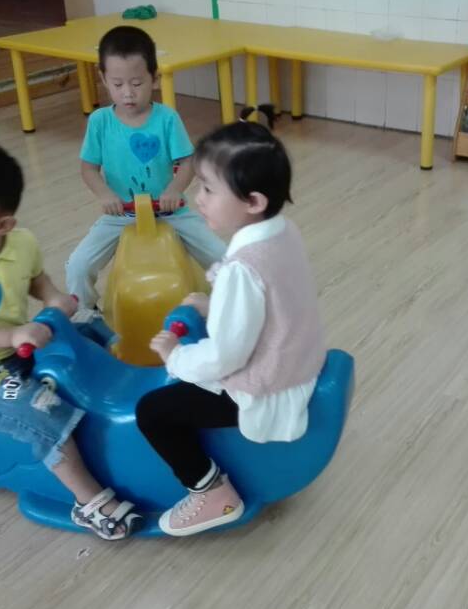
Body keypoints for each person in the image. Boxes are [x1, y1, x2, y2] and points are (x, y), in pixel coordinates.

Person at [0, 140, 142, 539]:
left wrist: (54, 298)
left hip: (21, 348)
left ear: (2, 226)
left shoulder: (22, 243)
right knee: (42, 412)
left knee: (91, 331)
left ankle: (130, 406)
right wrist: (13, 333)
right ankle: (88, 501)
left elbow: (35, 279)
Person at [135, 122, 326, 537]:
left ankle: (213, 494)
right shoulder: (282, 230)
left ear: (253, 201)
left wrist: (176, 356)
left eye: (208, 188)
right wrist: (215, 306)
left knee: (152, 411)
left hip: (267, 385)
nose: (197, 198)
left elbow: (225, 356)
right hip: (298, 359)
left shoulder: (242, 267)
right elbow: (274, 300)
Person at [66, 25, 226, 317]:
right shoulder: (100, 121)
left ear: (155, 78)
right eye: (117, 84)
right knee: (78, 266)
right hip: (121, 216)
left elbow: (188, 161)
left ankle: (228, 306)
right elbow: (88, 168)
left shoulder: (167, 118)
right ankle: (85, 316)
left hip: (171, 212)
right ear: (103, 78)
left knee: (221, 256)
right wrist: (105, 195)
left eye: (137, 83)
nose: (127, 93)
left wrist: (174, 190)